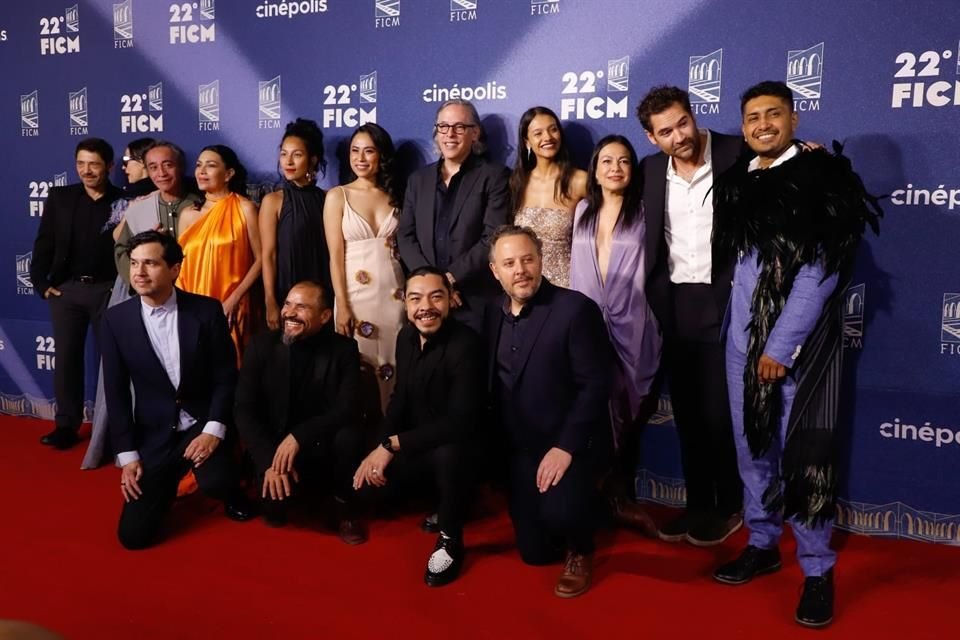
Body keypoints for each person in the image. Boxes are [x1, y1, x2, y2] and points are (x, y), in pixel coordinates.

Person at [711, 81, 881, 628]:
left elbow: (819, 272)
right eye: (753, 117)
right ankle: (762, 543)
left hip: (796, 351)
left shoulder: (823, 178)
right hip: (738, 344)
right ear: (742, 127)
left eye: (773, 114)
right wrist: (745, 343)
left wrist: (779, 346)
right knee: (751, 450)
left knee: (806, 460)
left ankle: (816, 569)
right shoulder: (738, 180)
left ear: (795, 119)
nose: (762, 124)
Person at [636, 85, 745, 545]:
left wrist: (812, 153)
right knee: (688, 414)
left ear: (693, 115)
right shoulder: (650, 170)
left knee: (720, 415)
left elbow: (786, 160)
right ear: (651, 137)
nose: (679, 136)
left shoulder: (735, 152)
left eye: (683, 123)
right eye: (666, 131)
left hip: (729, 300)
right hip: (677, 303)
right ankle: (698, 503)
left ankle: (730, 505)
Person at [101, 231, 254, 550]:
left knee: (217, 481)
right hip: (155, 433)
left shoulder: (206, 311)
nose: (139, 273)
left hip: (202, 422)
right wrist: (128, 456)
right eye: (134, 263)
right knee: (133, 537)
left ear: (174, 269)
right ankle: (164, 488)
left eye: (150, 264)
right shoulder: (116, 320)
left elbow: (226, 377)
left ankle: (232, 486)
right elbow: (115, 394)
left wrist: (214, 430)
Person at [485, 225, 612, 598]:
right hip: (521, 449)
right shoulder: (493, 311)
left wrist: (566, 447)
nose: (520, 269)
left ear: (541, 261)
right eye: (509, 263)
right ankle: (596, 507)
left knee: (562, 517)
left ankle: (583, 546)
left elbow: (595, 386)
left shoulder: (575, 310)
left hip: (567, 444)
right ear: (496, 271)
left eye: (527, 259)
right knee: (535, 553)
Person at [353, 266, 484, 587]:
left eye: (436, 297)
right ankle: (436, 499)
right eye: (415, 299)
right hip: (417, 444)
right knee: (367, 489)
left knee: (450, 454)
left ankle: (451, 537)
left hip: (459, 448)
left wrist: (392, 445)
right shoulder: (406, 336)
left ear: (452, 301)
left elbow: (460, 423)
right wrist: (380, 447)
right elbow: (399, 399)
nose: (425, 306)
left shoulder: (466, 344)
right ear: (407, 305)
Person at [83, 141, 199, 469]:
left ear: (180, 166)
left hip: (187, 302)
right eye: (153, 167)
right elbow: (121, 252)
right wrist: (143, 284)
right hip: (142, 303)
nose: (161, 173)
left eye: (168, 165)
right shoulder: (139, 208)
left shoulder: (199, 204)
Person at [569, 135, 661, 535]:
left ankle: (621, 495)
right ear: (595, 167)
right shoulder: (584, 210)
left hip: (635, 322)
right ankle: (598, 497)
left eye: (624, 161)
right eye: (606, 161)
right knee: (593, 408)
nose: (615, 168)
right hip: (588, 322)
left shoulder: (644, 212)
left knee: (630, 408)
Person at [235, 280, 366, 543]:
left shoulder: (344, 349)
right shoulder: (262, 347)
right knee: (274, 512)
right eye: (287, 304)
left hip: (321, 443)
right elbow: (244, 410)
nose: (290, 312)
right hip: (275, 449)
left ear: (325, 316)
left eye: (302, 307)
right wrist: (270, 461)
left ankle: (346, 509)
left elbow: (347, 408)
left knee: (349, 435)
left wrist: (299, 435)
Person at [30, 137, 122, 450]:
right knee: (67, 359)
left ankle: (113, 431)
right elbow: (44, 243)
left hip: (108, 291)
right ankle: (66, 426)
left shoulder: (123, 201)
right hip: (66, 291)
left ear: (109, 166)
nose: (87, 170)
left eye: (94, 164)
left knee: (112, 362)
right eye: (81, 163)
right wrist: (41, 284)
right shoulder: (60, 197)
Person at [397, 99, 510, 332]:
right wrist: (432, 285)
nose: (450, 134)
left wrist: (450, 279)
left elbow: (493, 236)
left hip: (473, 300)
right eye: (443, 127)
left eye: (460, 127)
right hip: (425, 303)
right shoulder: (418, 180)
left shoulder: (494, 176)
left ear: (475, 133)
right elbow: (406, 237)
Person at [324, 123, 405, 411]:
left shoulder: (395, 194)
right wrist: (342, 305)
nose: (360, 158)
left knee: (394, 367)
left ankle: (390, 438)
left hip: (395, 294)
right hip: (355, 297)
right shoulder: (337, 196)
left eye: (368, 151)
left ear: (381, 155)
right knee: (359, 369)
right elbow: (335, 256)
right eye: (354, 151)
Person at [177, 144, 262, 359]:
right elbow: (180, 266)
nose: (202, 171)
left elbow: (262, 259)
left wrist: (234, 300)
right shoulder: (188, 214)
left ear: (229, 174)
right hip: (192, 306)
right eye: (198, 165)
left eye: (211, 165)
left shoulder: (245, 208)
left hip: (232, 305)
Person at [260, 118, 331, 331]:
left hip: (323, 293)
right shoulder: (273, 201)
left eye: (297, 155)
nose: (288, 162)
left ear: (313, 160)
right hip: (285, 292)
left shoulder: (329, 199)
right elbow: (268, 255)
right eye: (283, 154)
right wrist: (270, 301)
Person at [511, 106, 587, 288]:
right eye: (538, 133)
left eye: (553, 129)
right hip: (524, 285)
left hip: (566, 286)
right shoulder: (517, 183)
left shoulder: (580, 181)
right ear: (527, 141)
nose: (548, 138)